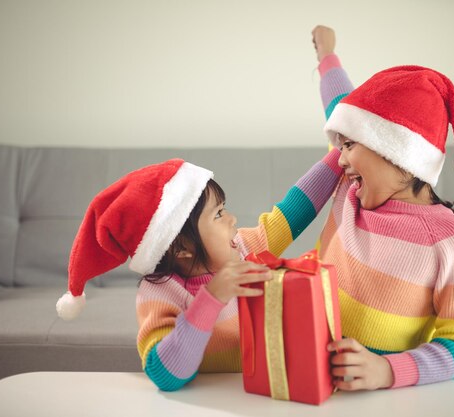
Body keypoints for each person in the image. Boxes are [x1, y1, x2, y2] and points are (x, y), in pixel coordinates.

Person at [55, 151, 343, 391]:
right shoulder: (161, 291)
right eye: (218, 214)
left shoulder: (242, 249)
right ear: (181, 248)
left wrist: (341, 150)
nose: (231, 219)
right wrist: (212, 298)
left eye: (224, 209)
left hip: (259, 395)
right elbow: (165, 375)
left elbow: (294, 211)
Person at [311, 25, 454, 391]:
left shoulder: (453, 241)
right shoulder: (349, 187)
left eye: (349, 146)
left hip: (374, 399)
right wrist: (326, 52)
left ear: (399, 155)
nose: (339, 159)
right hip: (306, 374)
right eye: (340, 145)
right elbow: (339, 101)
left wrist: (387, 371)